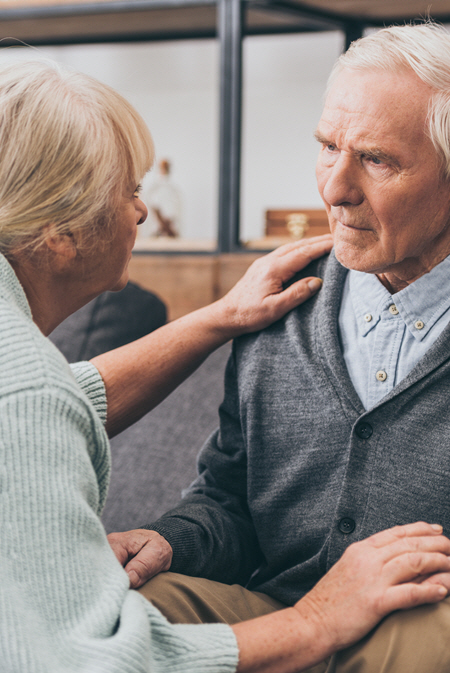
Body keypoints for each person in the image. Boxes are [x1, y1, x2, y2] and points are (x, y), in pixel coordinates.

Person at [2, 58, 447, 673]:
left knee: (431, 632)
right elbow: (227, 496)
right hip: (270, 610)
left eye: (376, 159)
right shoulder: (290, 301)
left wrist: (217, 317)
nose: (333, 189)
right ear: (56, 233)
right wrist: (179, 544)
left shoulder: (257, 300)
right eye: (326, 147)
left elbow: (50, 402)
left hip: (418, 614)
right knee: (133, 603)